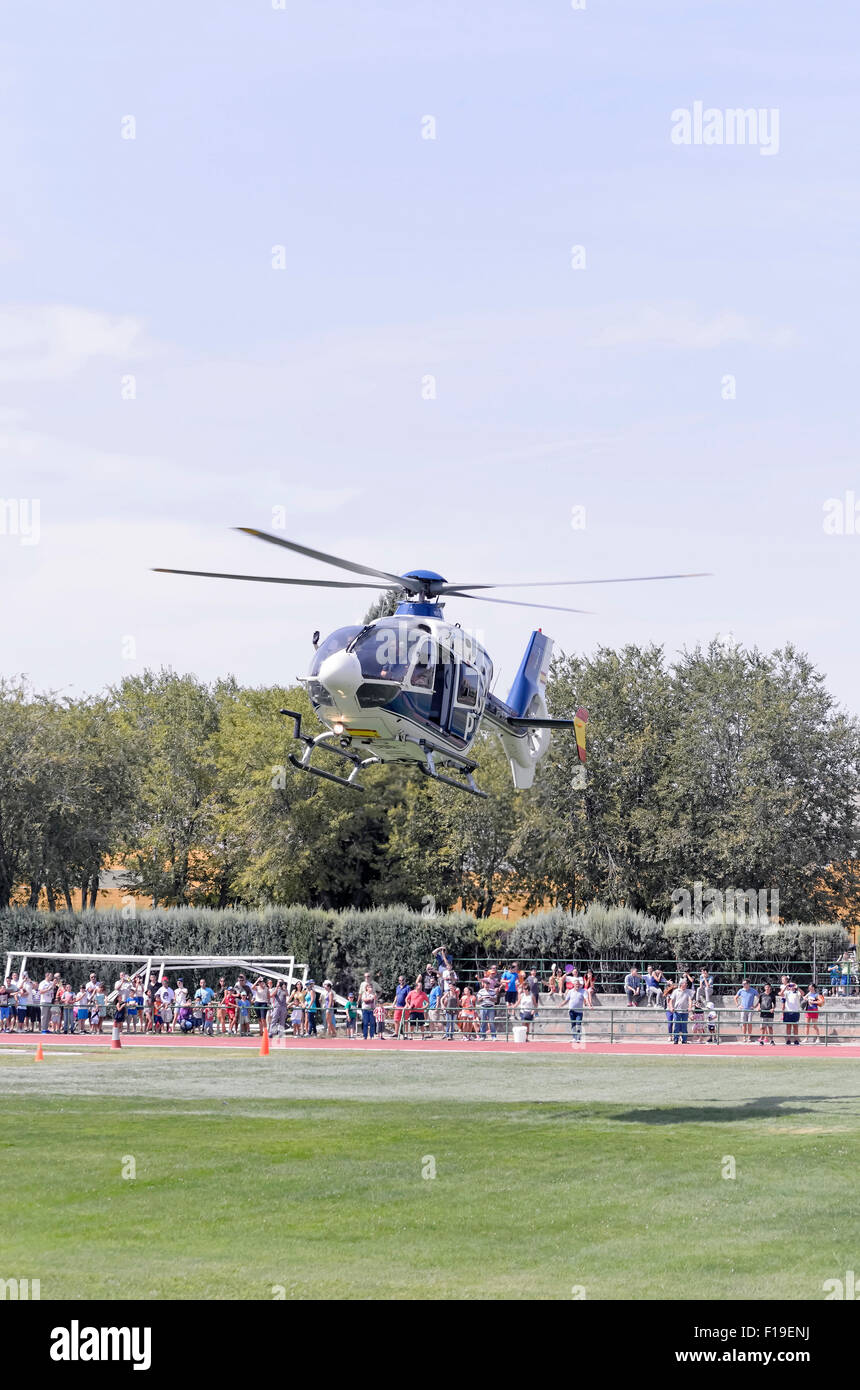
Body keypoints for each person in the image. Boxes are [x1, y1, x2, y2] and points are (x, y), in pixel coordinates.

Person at [669, 978, 692, 1044]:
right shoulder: (676, 991)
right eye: (685, 983)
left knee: (684, 1026)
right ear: (681, 984)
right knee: (676, 1025)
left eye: (686, 983)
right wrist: (671, 1007)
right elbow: (671, 1000)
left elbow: (690, 1000)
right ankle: (676, 1039)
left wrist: (690, 1007)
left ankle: (684, 1040)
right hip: (677, 1011)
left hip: (685, 1011)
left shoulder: (688, 991)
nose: (686, 984)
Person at [781, 980, 803, 1045]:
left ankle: (796, 1040)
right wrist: (785, 987)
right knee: (788, 1026)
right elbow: (781, 994)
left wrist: (797, 987)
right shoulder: (786, 992)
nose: (792, 987)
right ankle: (788, 1040)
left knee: (795, 1026)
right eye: (790, 986)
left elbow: (802, 993)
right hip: (788, 1011)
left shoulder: (797, 992)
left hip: (795, 1011)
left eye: (793, 986)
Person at [565, 976, 585, 1041]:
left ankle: (578, 1037)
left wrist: (589, 1004)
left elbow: (586, 999)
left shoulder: (582, 991)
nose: (577, 985)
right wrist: (561, 1005)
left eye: (578, 984)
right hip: (571, 1010)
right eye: (576, 984)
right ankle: (574, 1037)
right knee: (573, 1024)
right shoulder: (570, 991)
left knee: (578, 1024)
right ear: (573, 985)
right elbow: (566, 1000)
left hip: (579, 1011)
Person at [358, 974, 376, 1040]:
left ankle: (371, 1036)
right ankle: (365, 1036)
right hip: (365, 1010)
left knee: (372, 1023)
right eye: (369, 987)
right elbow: (365, 1001)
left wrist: (371, 1000)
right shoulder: (364, 994)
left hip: (371, 1010)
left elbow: (373, 1002)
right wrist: (370, 999)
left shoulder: (373, 994)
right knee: (365, 1023)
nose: (370, 988)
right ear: (366, 988)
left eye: (371, 987)